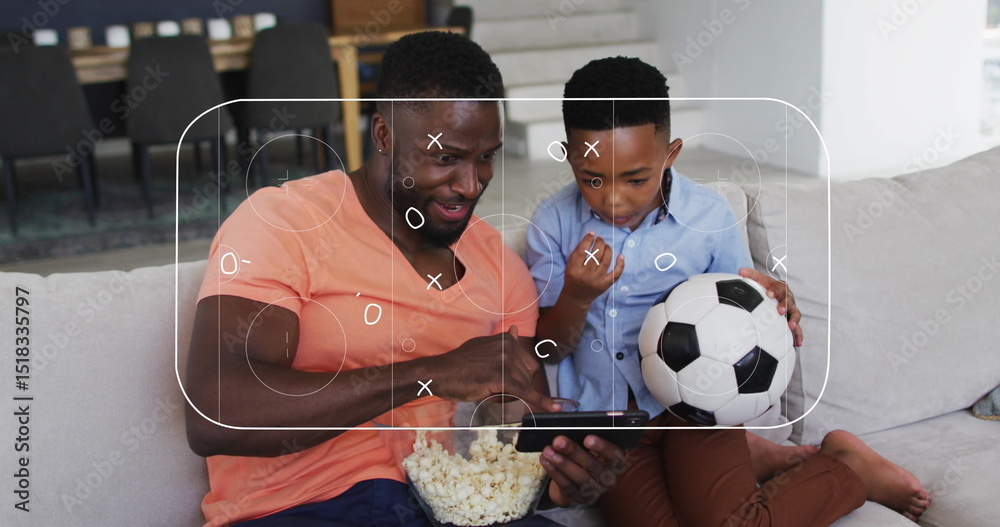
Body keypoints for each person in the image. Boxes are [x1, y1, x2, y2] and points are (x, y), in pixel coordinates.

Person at [183, 32, 626, 526]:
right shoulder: (285, 223)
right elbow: (214, 412)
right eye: (446, 158)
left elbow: (512, 445)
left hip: (453, 509)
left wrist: (561, 478)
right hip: (300, 508)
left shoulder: (500, 268)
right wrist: (428, 373)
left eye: (486, 157)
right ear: (384, 135)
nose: (471, 183)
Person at [524, 56, 930, 526]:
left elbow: (741, 305)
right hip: (613, 427)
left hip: (699, 404)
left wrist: (774, 300)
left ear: (670, 154)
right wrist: (576, 296)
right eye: (592, 179)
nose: (614, 198)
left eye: (636, 178)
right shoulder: (554, 224)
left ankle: (847, 468)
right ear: (570, 156)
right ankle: (778, 463)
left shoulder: (709, 217)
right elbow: (546, 350)